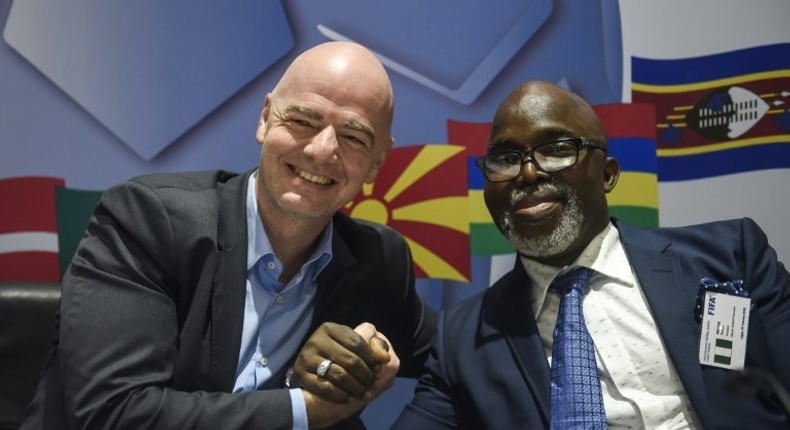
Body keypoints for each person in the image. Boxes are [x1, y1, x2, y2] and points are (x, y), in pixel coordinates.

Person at [20, 41, 436, 430]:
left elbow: (456, 350)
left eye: (353, 136)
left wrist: (377, 351)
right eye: (304, 120)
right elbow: (115, 413)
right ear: (265, 118)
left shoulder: (378, 259)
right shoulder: (148, 219)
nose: (321, 150)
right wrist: (306, 410)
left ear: (378, 162)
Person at [391, 80, 790, 429]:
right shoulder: (462, 338)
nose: (528, 174)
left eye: (557, 149)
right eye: (507, 159)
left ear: (607, 174)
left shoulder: (729, 255)